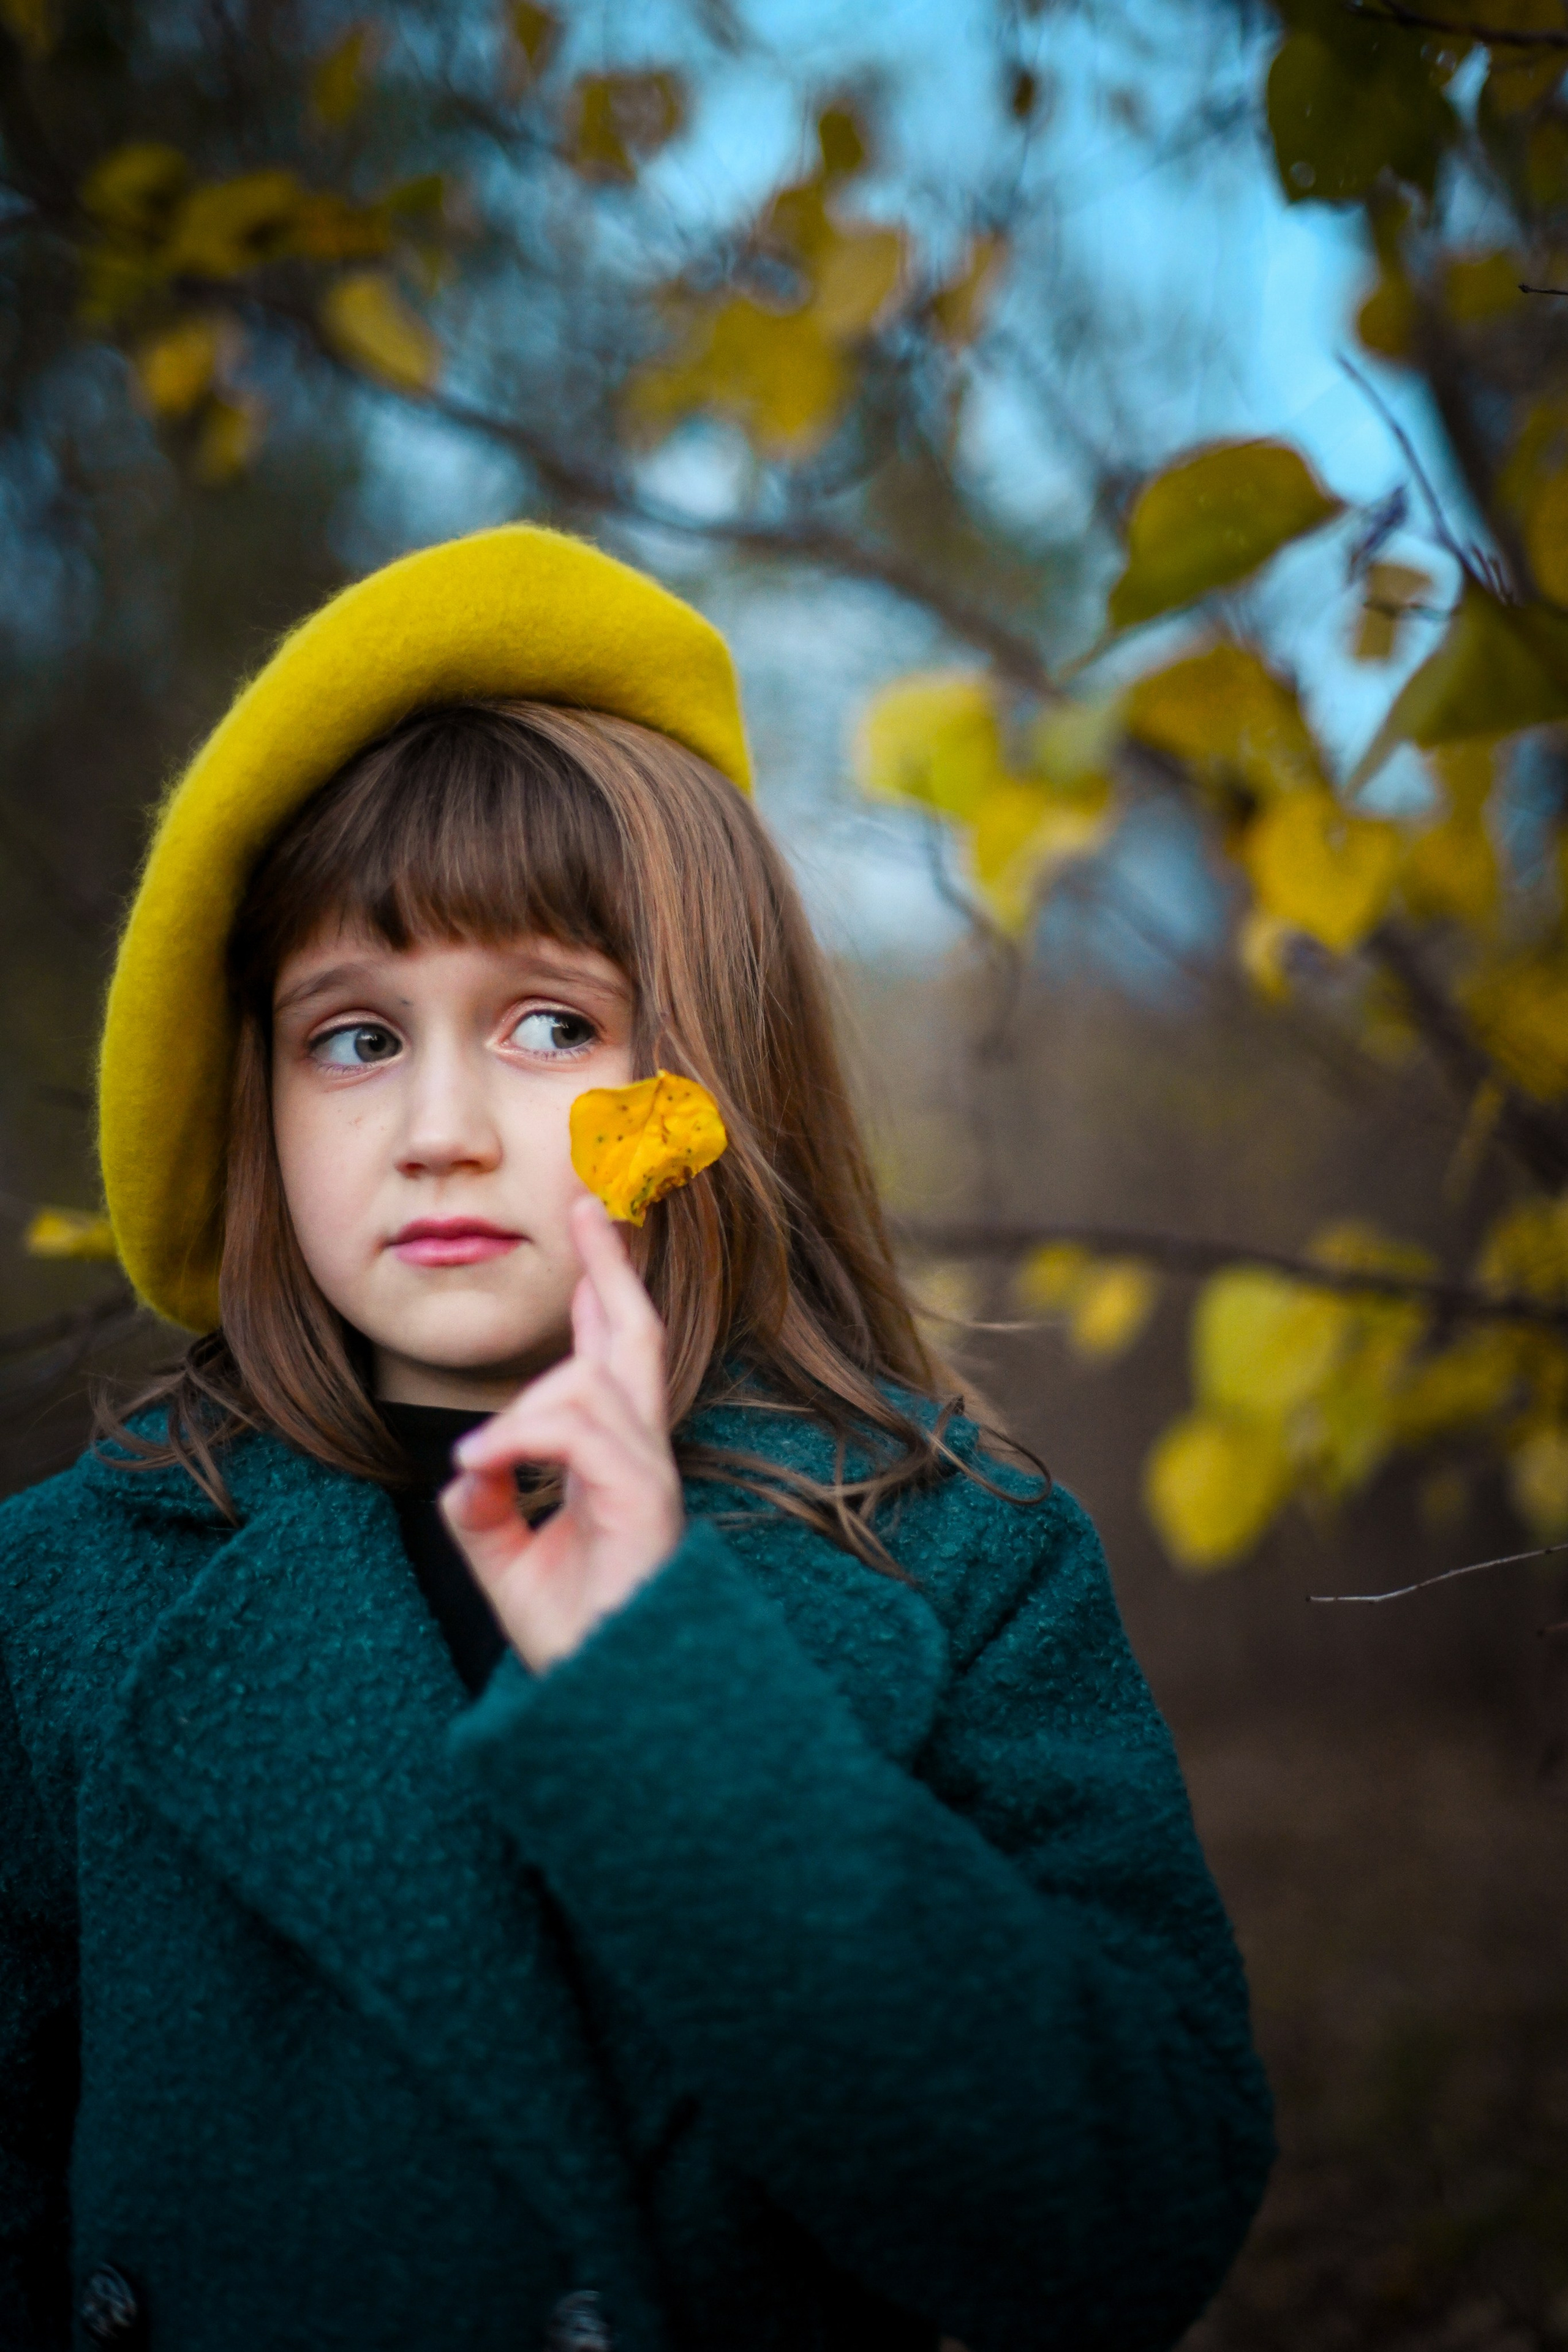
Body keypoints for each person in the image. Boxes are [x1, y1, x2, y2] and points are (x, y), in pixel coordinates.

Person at [0, 526, 1272, 2352]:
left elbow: (1136, 2214)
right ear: (256, 1100)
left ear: (703, 1075)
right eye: (352, 1038)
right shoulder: (60, 1592)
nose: (438, 1126)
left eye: (546, 1022)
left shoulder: (956, 1547)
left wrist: (662, 1698)